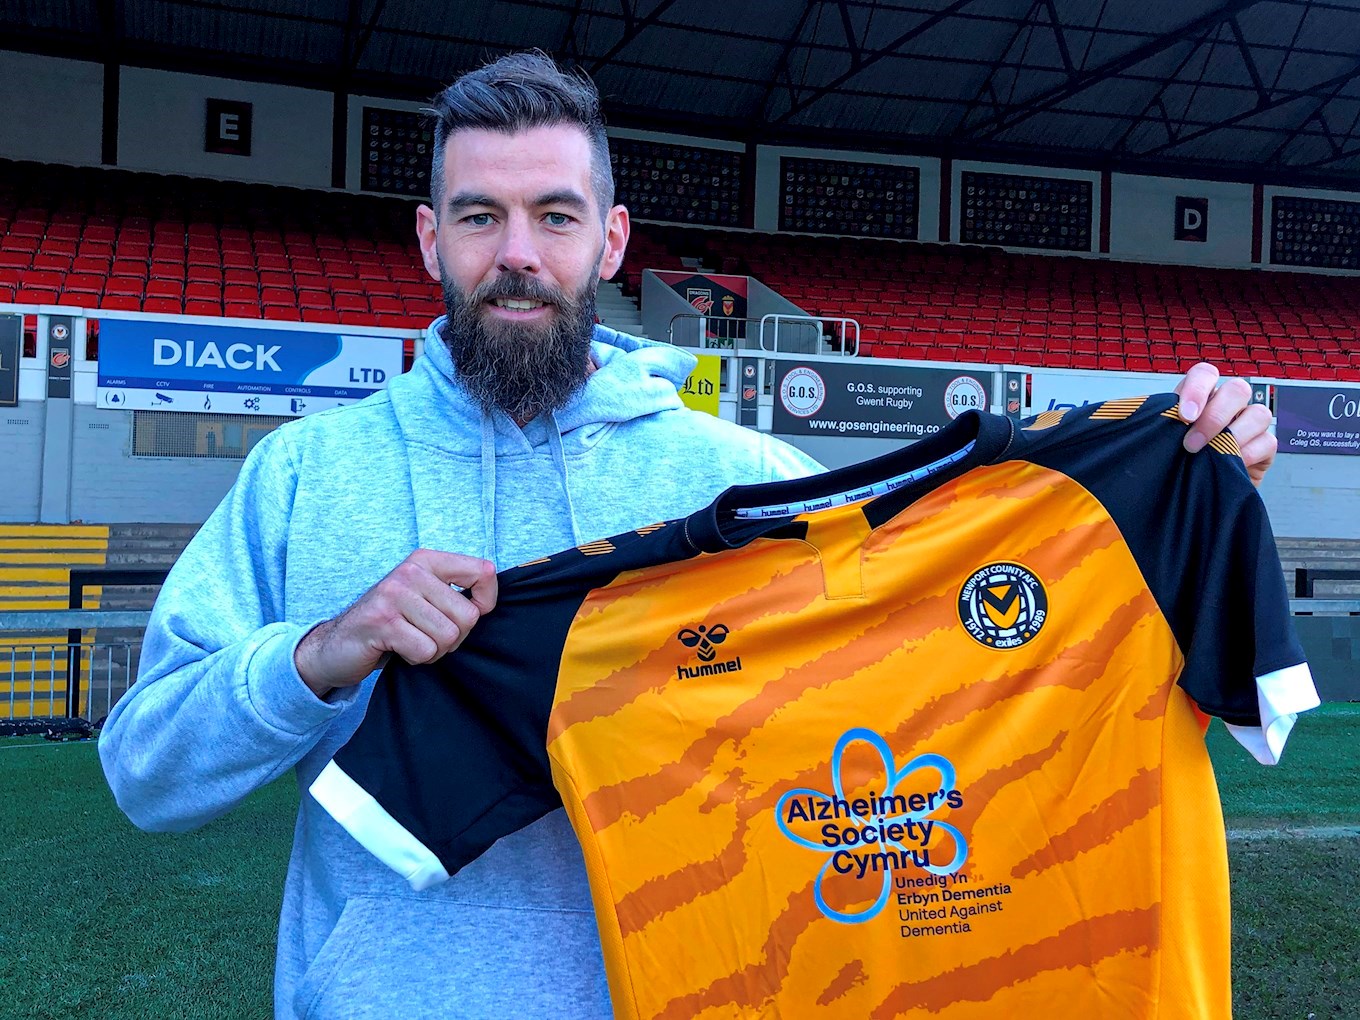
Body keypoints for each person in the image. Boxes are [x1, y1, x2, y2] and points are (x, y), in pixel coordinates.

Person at [99, 51, 1280, 1020]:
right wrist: (320, 655)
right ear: (428, 239)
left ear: (612, 241)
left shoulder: (742, 483)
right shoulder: (305, 476)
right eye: (480, 217)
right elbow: (146, 776)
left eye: (555, 216)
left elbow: (925, 677)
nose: (518, 253)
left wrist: (1187, 477)